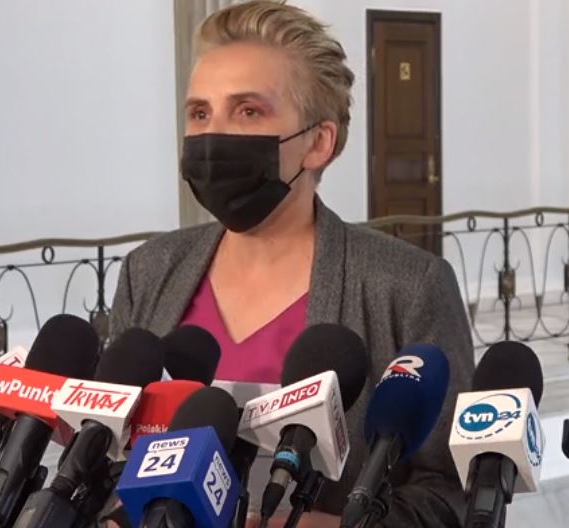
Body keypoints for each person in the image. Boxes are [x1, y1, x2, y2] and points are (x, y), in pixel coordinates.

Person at [109, 1, 473, 526]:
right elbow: (112, 458)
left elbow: (452, 493)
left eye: (248, 111)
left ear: (318, 143)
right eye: (200, 113)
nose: (213, 137)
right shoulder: (148, 272)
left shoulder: (408, 286)